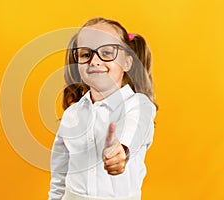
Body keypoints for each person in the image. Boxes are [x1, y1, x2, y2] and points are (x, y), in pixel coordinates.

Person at [49, 17, 158, 200]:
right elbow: (59, 175)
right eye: (85, 54)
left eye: (107, 52)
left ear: (127, 63)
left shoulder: (139, 105)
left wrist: (121, 151)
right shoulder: (72, 114)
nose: (95, 61)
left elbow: (134, 129)